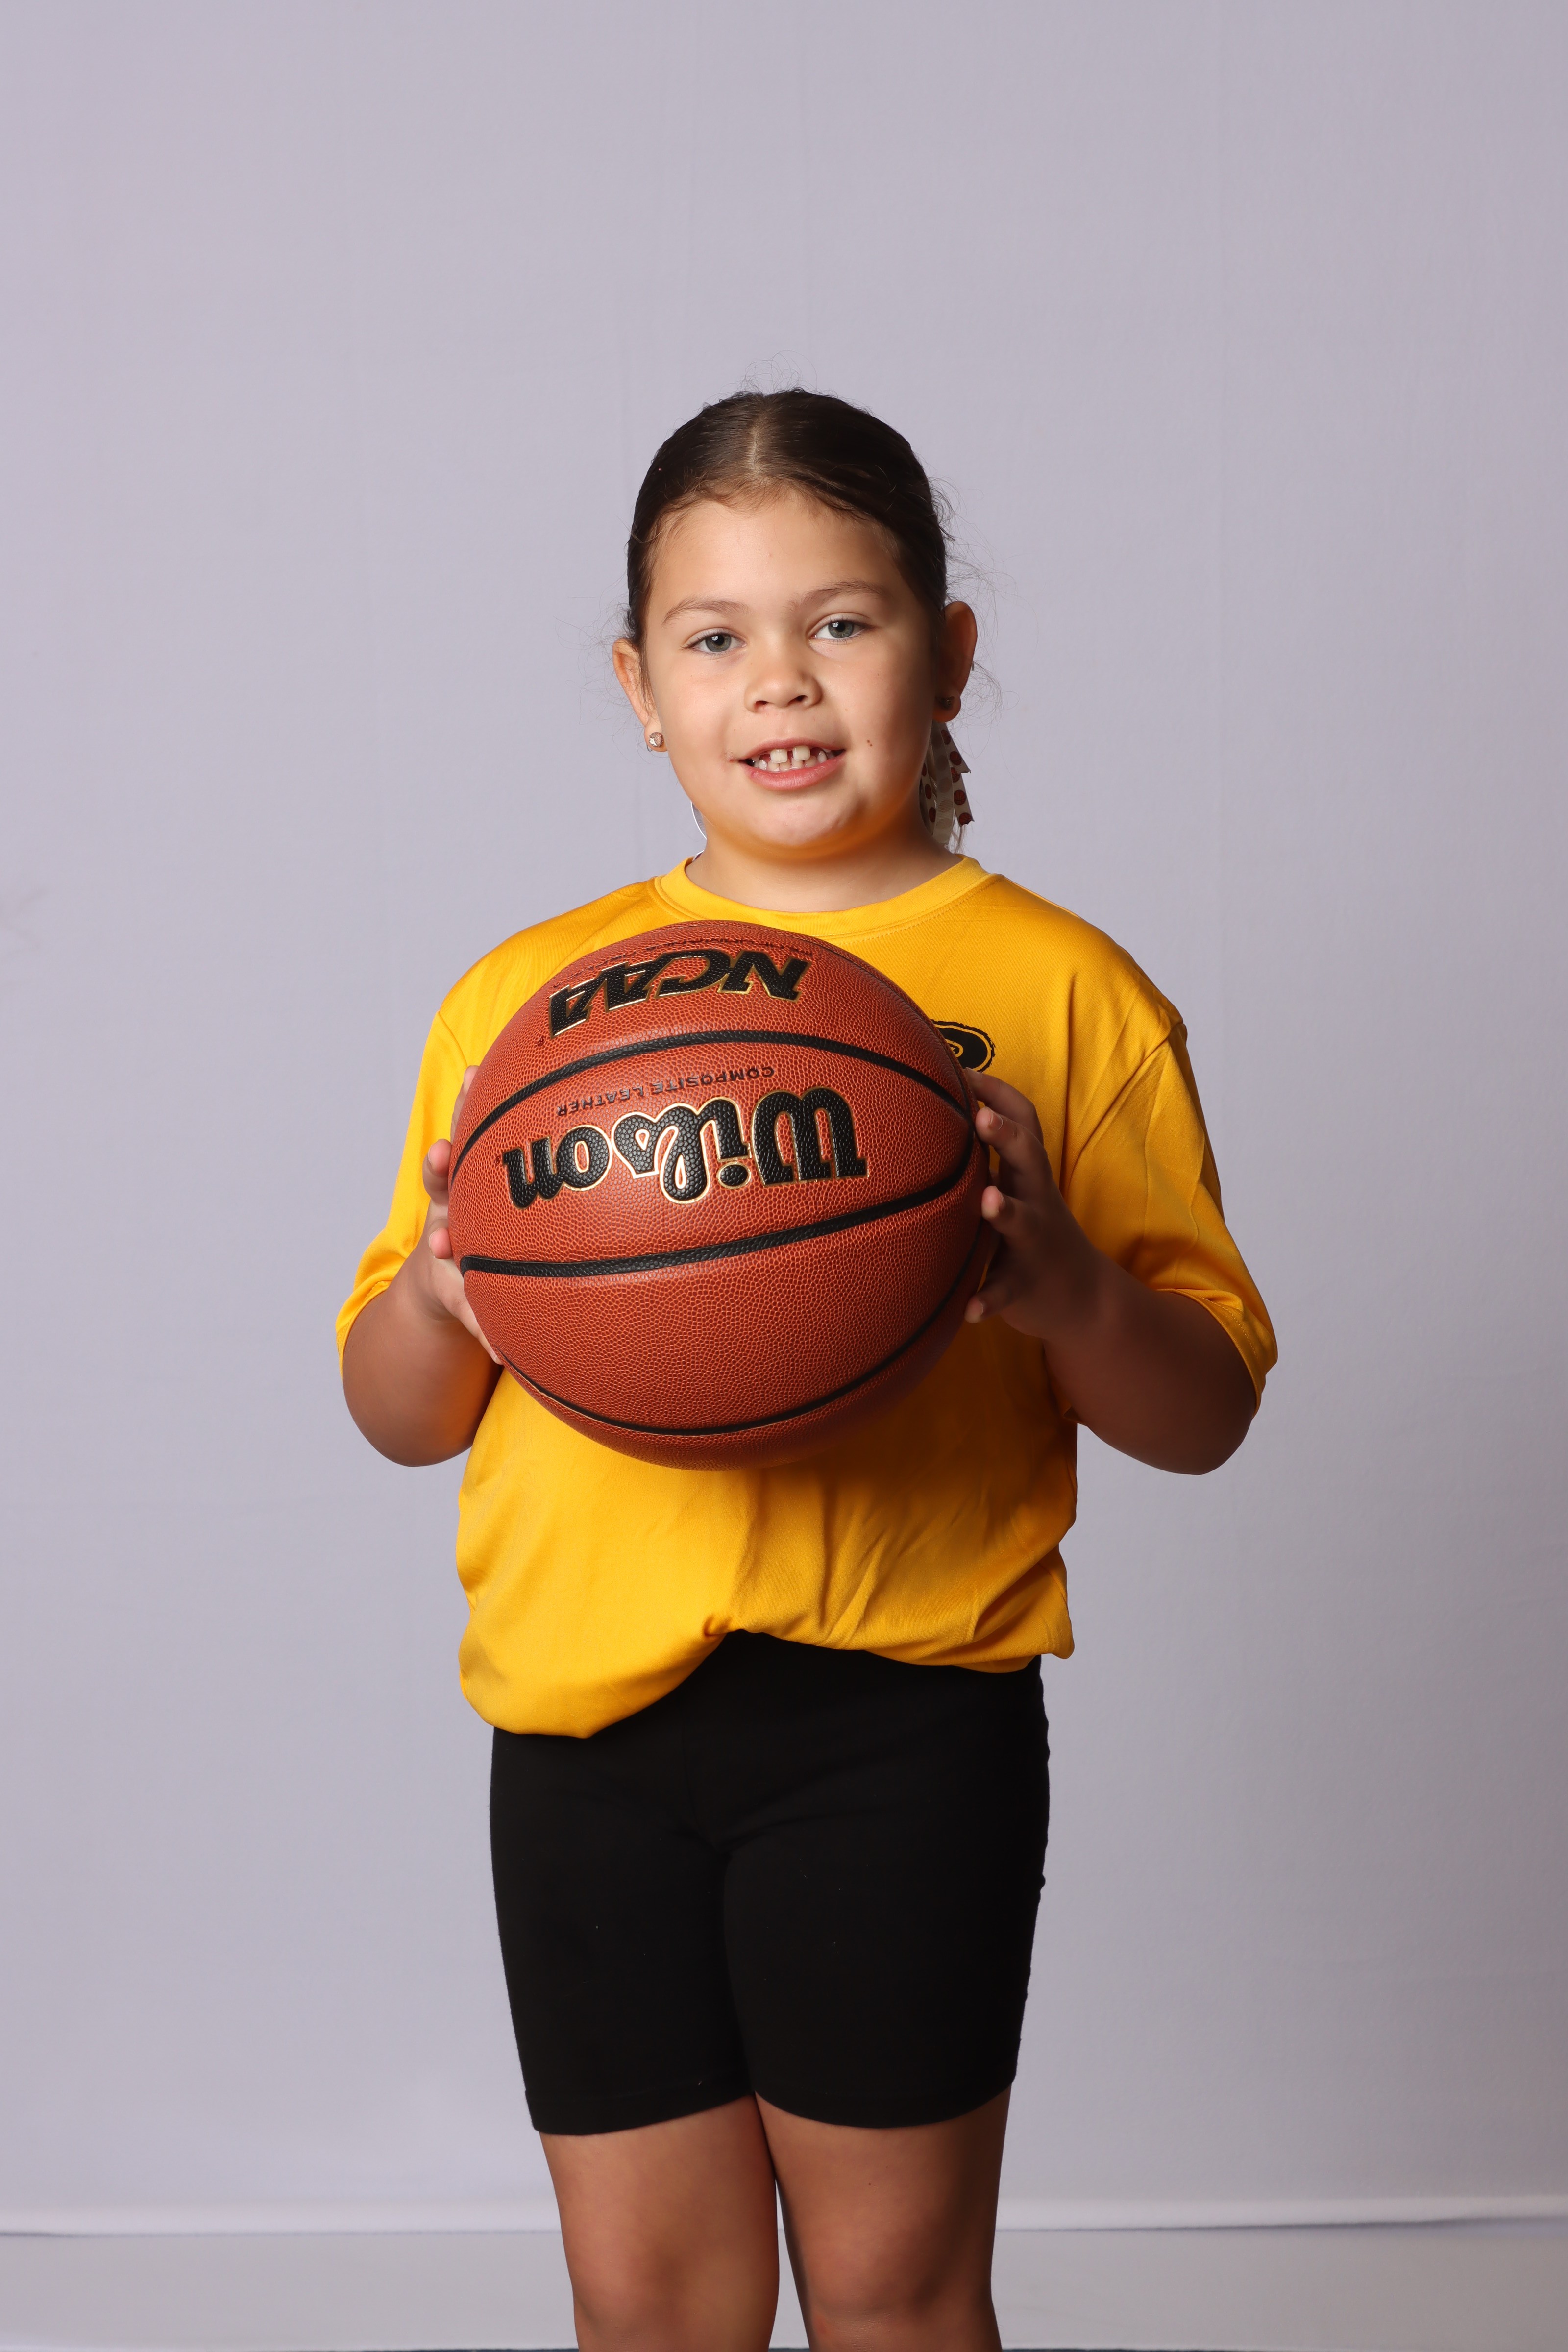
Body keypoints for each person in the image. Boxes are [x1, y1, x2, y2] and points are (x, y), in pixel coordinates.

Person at [338, 389, 1275, 2352]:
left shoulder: (1066, 991)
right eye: (715, 637)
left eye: (841, 621)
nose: (779, 680)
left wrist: (1059, 1285)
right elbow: (399, 1416)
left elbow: (1206, 1413)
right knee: (648, 2305)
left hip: (897, 1727)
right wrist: (439, 1299)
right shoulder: (527, 1011)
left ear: (948, 652)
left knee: (895, 2296)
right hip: (584, 1737)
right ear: (638, 685)